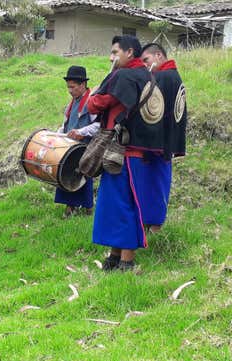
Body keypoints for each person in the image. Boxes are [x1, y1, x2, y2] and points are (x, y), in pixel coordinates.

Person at [86, 35, 165, 271]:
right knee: (121, 203)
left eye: (115, 52)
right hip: (139, 152)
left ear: (130, 52)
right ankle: (115, 254)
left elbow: (93, 105)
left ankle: (126, 261)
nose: (111, 57)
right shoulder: (147, 75)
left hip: (123, 151)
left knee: (122, 205)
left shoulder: (124, 76)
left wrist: (95, 95)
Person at [139, 43, 187, 233]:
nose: (144, 65)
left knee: (154, 182)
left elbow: (152, 111)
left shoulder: (163, 77)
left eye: (146, 60)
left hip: (157, 143)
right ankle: (153, 222)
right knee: (159, 182)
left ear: (158, 55)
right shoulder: (174, 76)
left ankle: (155, 224)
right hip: (167, 141)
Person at [55, 66, 100, 218]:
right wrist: (58, 134)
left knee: (83, 177)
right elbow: (66, 123)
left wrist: (81, 132)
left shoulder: (92, 102)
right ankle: (70, 207)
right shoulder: (72, 103)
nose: (70, 90)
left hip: (85, 148)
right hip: (69, 147)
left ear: (82, 85)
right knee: (65, 173)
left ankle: (88, 209)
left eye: (72, 87)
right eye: (68, 87)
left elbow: (99, 125)